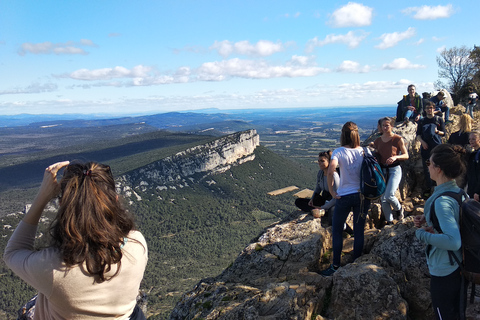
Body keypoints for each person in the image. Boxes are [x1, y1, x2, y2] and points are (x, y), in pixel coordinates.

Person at [3, 161, 148, 320]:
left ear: (62, 207)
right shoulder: (137, 245)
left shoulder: (53, 268)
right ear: (115, 200)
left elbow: (13, 252)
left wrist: (42, 198)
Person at [414, 144, 466, 320]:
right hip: (460, 266)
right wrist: (431, 221)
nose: (427, 166)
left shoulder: (442, 201)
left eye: (430, 163)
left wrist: (422, 235)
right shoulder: (459, 193)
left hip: (445, 271)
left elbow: (453, 241)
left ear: (438, 169)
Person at [320, 121, 370, 276]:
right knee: (359, 229)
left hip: (344, 196)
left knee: (336, 230)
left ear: (343, 135)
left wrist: (332, 191)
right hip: (362, 195)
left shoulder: (339, 152)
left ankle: (335, 265)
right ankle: (356, 262)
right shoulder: (364, 151)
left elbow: (331, 170)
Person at [373, 117, 409, 224]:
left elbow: (406, 155)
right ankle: (389, 222)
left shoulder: (397, 139)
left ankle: (399, 209)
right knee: (383, 198)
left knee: (389, 195)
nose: (385, 127)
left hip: (395, 169)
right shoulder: (378, 140)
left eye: (387, 125)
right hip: (382, 170)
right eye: (383, 125)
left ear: (392, 126)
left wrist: (395, 157)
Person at [295, 150, 339, 221]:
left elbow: (336, 197)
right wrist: (312, 199)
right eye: (319, 161)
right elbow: (318, 189)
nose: (319, 163)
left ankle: (320, 211)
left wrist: (323, 207)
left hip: (333, 202)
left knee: (332, 214)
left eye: (322, 161)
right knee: (298, 201)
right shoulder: (320, 173)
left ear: (329, 162)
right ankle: (318, 211)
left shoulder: (334, 175)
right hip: (324, 199)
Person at [416, 101, 445, 198]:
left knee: (438, 167)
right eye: (427, 108)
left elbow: (443, 133)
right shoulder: (422, 121)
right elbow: (418, 135)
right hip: (426, 149)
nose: (429, 110)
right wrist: (422, 142)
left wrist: (437, 132)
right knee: (427, 168)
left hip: (437, 148)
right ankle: (429, 188)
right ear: (425, 109)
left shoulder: (439, 119)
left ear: (434, 109)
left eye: (431, 108)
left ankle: (439, 188)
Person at [466, 131, 480, 201]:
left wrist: (478, 191)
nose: (471, 141)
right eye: (470, 139)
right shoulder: (473, 154)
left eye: (473, 139)